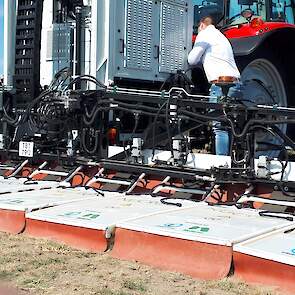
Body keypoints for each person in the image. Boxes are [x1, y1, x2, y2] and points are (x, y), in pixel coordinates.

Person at [187, 16, 242, 156]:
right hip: (236, 83)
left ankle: (222, 163)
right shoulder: (221, 36)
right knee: (228, 124)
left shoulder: (205, 34)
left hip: (220, 84)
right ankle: (229, 160)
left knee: (219, 126)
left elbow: (192, 60)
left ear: (201, 25)